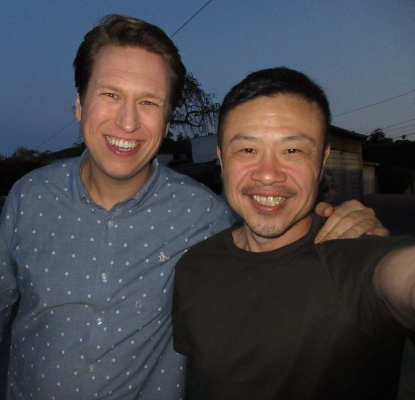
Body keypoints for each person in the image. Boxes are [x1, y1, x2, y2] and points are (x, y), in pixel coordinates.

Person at [0, 16, 387, 400]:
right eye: (110, 95)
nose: (128, 122)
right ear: (80, 104)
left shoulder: (206, 216)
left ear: (167, 119)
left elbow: (276, 236)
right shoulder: (29, 197)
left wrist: (347, 227)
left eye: (149, 102)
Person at [172, 67, 415, 400]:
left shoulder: (355, 257)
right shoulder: (194, 267)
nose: (268, 174)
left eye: (293, 150)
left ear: (322, 161)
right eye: (247, 150)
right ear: (222, 159)